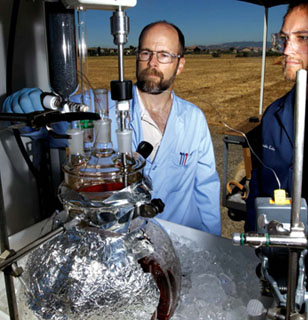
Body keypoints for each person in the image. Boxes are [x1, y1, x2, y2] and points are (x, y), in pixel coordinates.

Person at [2, 21, 221, 236]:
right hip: (114, 244)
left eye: (164, 55)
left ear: (179, 64)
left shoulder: (194, 119)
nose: (152, 62)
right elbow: (47, 128)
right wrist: (25, 110)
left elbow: (206, 191)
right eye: (145, 53)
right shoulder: (98, 108)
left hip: (178, 241)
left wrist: (213, 244)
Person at [245, 1, 308, 232]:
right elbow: (258, 188)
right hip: (277, 256)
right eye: (285, 38)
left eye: (302, 38)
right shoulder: (273, 115)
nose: (286, 50)